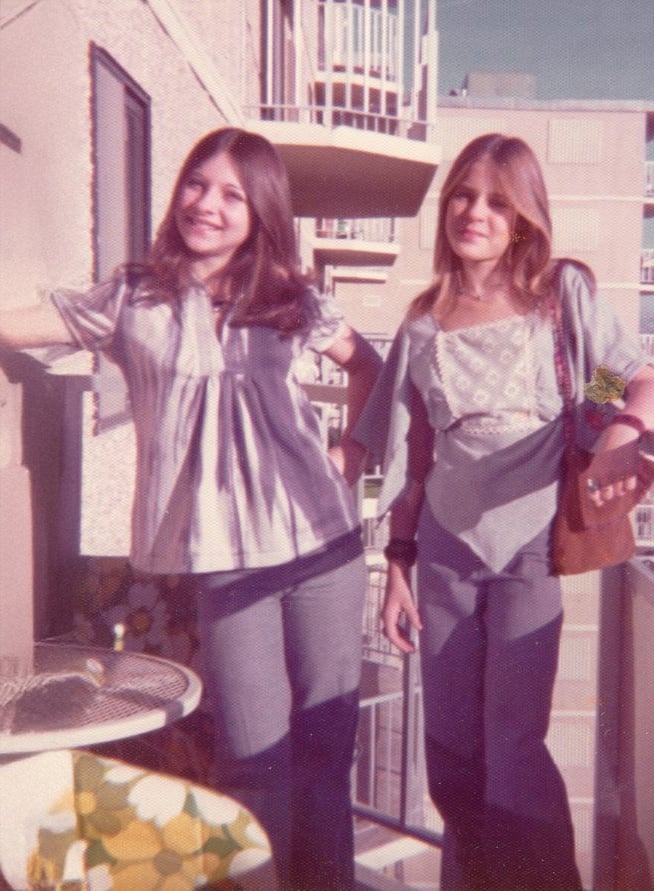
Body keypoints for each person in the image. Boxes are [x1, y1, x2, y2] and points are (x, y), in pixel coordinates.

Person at [0, 127, 383, 889]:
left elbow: (370, 366)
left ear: (261, 211)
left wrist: (351, 460)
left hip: (323, 544)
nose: (207, 205)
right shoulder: (132, 297)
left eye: (233, 195)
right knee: (253, 756)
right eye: (197, 184)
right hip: (226, 560)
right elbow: (20, 322)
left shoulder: (290, 297)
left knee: (325, 746)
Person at [353, 133, 654, 890]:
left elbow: (643, 382)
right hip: (443, 551)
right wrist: (398, 562)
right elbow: (410, 452)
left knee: (514, 746)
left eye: (498, 201)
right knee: (452, 746)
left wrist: (617, 435)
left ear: (525, 217)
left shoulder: (559, 295)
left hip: (530, 546)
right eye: (464, 194)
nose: (476, 212)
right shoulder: (424, 318)